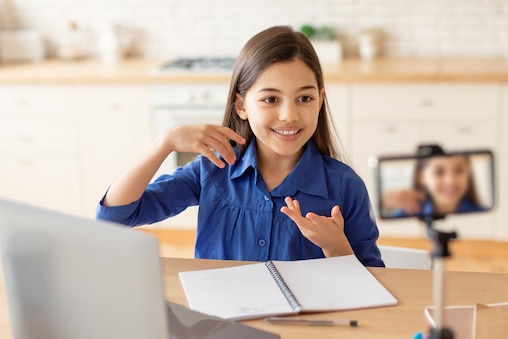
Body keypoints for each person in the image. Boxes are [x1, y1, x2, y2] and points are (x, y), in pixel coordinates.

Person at [96, 25, 384, 267]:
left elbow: (373, 280)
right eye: (271, 99)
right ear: (241, 105)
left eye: (304, 99)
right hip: (223, 326)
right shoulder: (214, 169)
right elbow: (114, 217)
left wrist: (337, 248)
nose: (290, 115)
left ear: (320, 101)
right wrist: (165, 142)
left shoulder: (345, 186)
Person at [387, 154, 485, 218]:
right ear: (422, 177)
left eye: (459, 170)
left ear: (469, 171)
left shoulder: (482, 215)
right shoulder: (405, 214)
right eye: (439, 172)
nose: (450, 181)